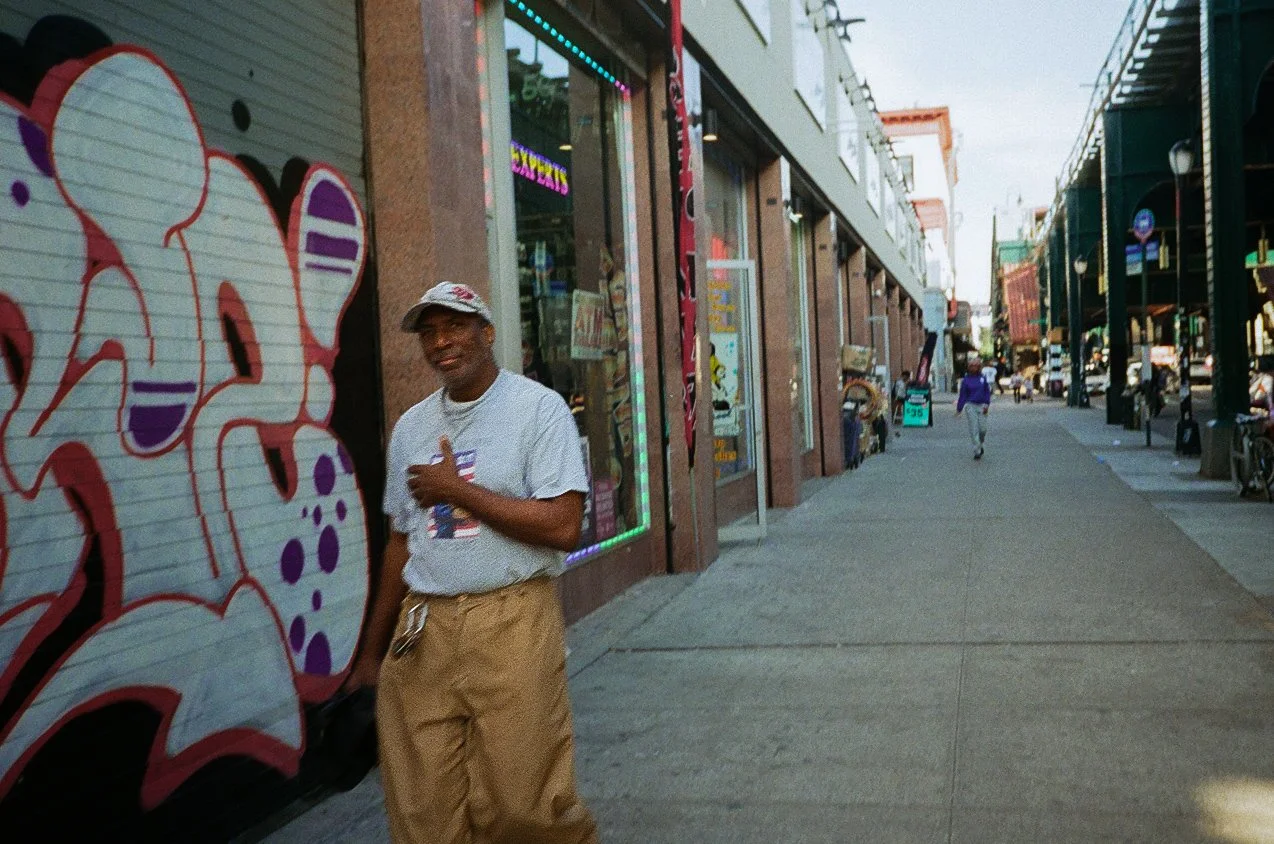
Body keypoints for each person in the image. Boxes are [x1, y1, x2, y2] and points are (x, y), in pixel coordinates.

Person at [348, 281, 598, 844]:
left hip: (510, 620)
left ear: (486, 334)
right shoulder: (413, 427)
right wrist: (371, 653)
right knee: (421, 808)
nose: (441, 341)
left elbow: (562, 526)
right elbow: (399, 543)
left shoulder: (537, 410)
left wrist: (457, 491)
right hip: (423, 628)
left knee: (523, 802)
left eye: (455, 326)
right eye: (429, 332)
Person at [956, 357, 992, 459]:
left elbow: (987, 392)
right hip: (970, 405)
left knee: (983, 429)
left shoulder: (982, 378)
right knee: (974, 428)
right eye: (971, 366)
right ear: (968, 367)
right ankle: (977, 450)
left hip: (982, 406)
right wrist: (959, 408)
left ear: (979, 367)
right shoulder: (966, 380)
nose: (974, 368)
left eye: (976, 365)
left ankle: (980, 443)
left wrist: (986, 404)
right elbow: (963, 395)